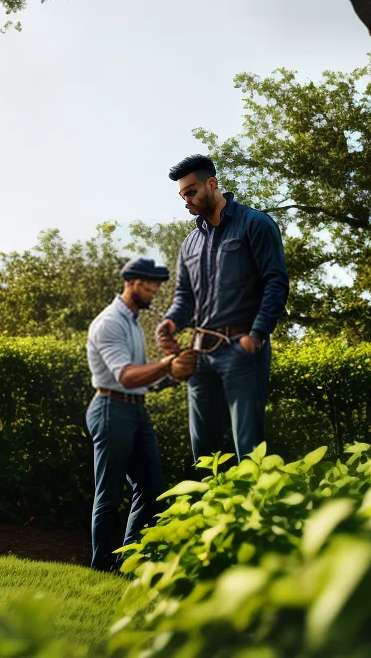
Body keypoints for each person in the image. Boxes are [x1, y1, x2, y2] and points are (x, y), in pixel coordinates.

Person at [155, 154, 289, 463]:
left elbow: (276, 282)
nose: (186, 200)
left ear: (211, 184)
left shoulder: (255, 223)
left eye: (190, 192)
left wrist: (256, 336)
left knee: (249, 450)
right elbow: (184, 297)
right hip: (200, 356)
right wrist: (170, 323)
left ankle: (257, 510)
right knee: (204, 454)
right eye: (182, 195)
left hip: (242, 350)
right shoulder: (189, 243)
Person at [85, 257, 196, 572]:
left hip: (136, 410)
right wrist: (166, 363)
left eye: (157, 284)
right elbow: (127, 376)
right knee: (109, 493)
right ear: (130, 281)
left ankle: (127, 561)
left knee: (151, 489)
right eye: (149, 284)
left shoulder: (132, 321)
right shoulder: (110, 322)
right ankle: (101, 566)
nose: (154, 290)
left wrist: (172, 372)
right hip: (110, 408)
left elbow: (143, 378)